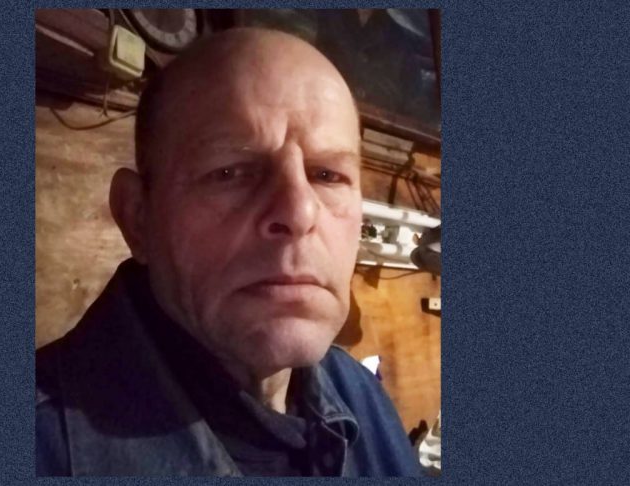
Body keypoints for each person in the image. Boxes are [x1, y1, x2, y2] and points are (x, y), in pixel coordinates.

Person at [36, 27, 421, 477]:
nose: (299, 212)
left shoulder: (365, 396)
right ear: (138, 217)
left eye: (327, 175)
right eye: (230, 172)